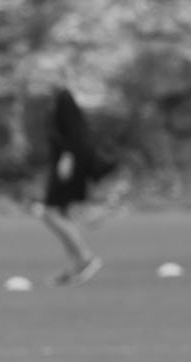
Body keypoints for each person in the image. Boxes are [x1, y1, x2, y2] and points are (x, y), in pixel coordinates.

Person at [40, 83, 114, 286]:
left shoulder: (64, 98)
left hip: (70, 165)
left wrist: (68, 157)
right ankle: (74, 267)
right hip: (67, 163)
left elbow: (76, 131)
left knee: (50, 213)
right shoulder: (55, 100)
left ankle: (84, 257)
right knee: (61, 214)